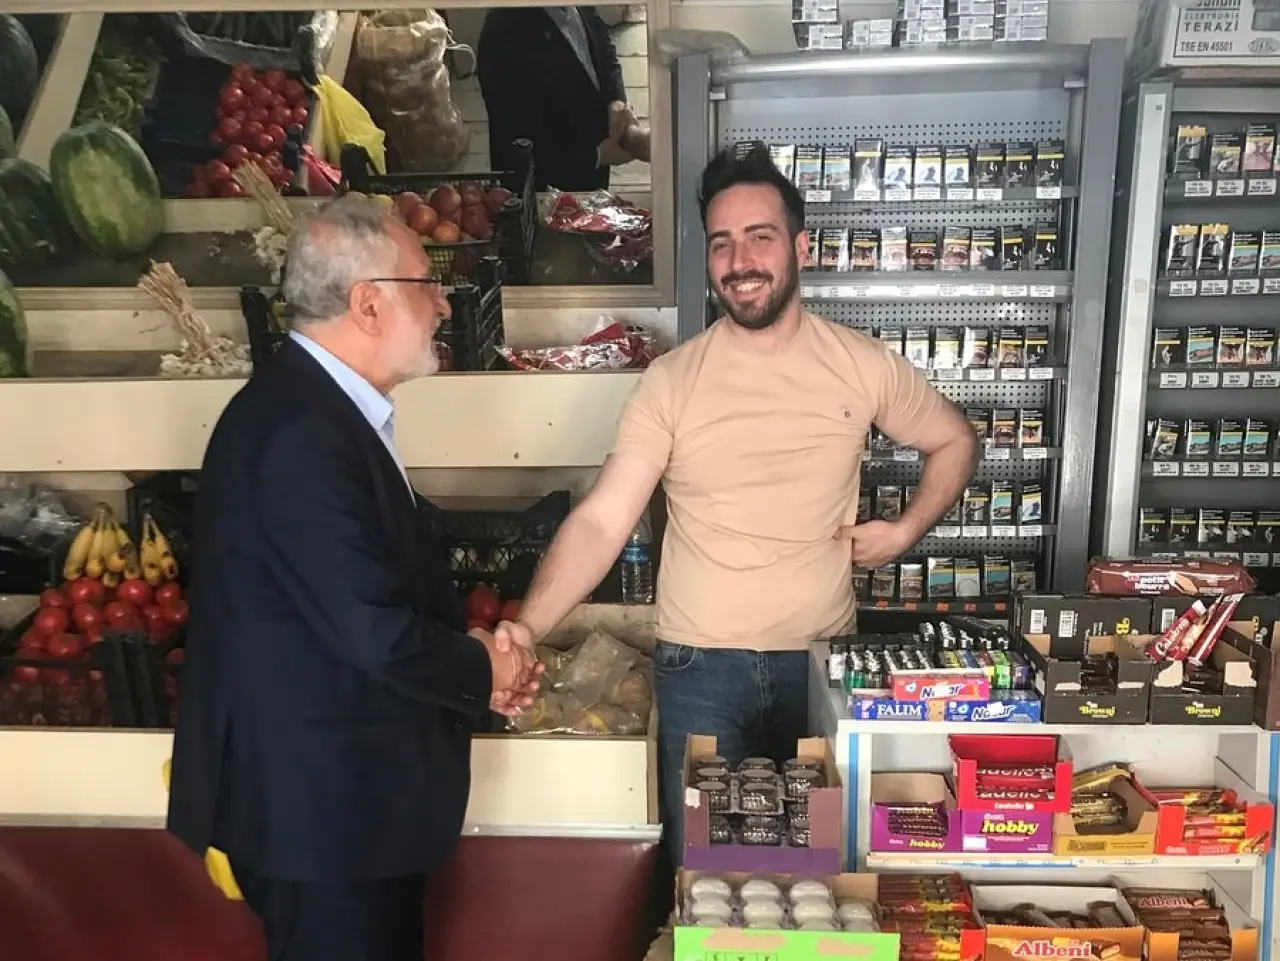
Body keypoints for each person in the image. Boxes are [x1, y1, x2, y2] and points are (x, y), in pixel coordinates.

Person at [494, 145, 979, 856]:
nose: (739, 260)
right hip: (701, 667)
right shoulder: (671, 382)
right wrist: (526, 628)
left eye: (759, 236)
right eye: (721, 242)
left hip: (820, 663)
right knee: (706, 871)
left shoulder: (862, 365)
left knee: (816, 872)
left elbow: (954, 440)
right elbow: (603, 519)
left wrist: (905, 530)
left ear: (800, 248)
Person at [166, 197, 540, 961]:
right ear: (368, 304)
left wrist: (473, 654)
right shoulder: (301, 432)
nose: (443, 304)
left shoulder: (318, 411)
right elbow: (371, 627)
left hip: (343, 808)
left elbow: (358, 594)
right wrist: (482, 667)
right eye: (425, 284)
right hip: (322, 820)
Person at [477, 6, 650, 191]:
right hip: (543, 194)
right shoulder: (502, 33)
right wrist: (599, 155)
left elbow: (602, 46)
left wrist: (615, 100)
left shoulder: (576, 5)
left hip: (591, 181)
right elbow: (517, 146)